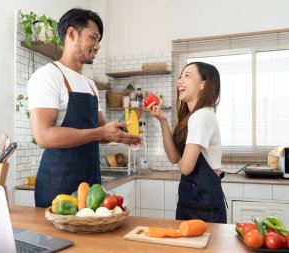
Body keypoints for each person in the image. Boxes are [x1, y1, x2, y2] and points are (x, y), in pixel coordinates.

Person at [27, 8, 142, 208]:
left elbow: (99, 129)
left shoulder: (90, 85)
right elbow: (43, 136)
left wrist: (118, 133)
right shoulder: (48, 76)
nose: (97, 46)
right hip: (58, 186)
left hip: (91, 186)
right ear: (71, 33)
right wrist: (100, 132)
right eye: (93, 38)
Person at [144, 62, 226, 223]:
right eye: (180, 76)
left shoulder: (201, 116)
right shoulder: (192, 117)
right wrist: (162, 120)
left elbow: (186, 168)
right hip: (191, 202)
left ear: (204, 84)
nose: (180, 80)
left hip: (203, 205)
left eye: (187, 76)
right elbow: (174, 157)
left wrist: (182, 160)